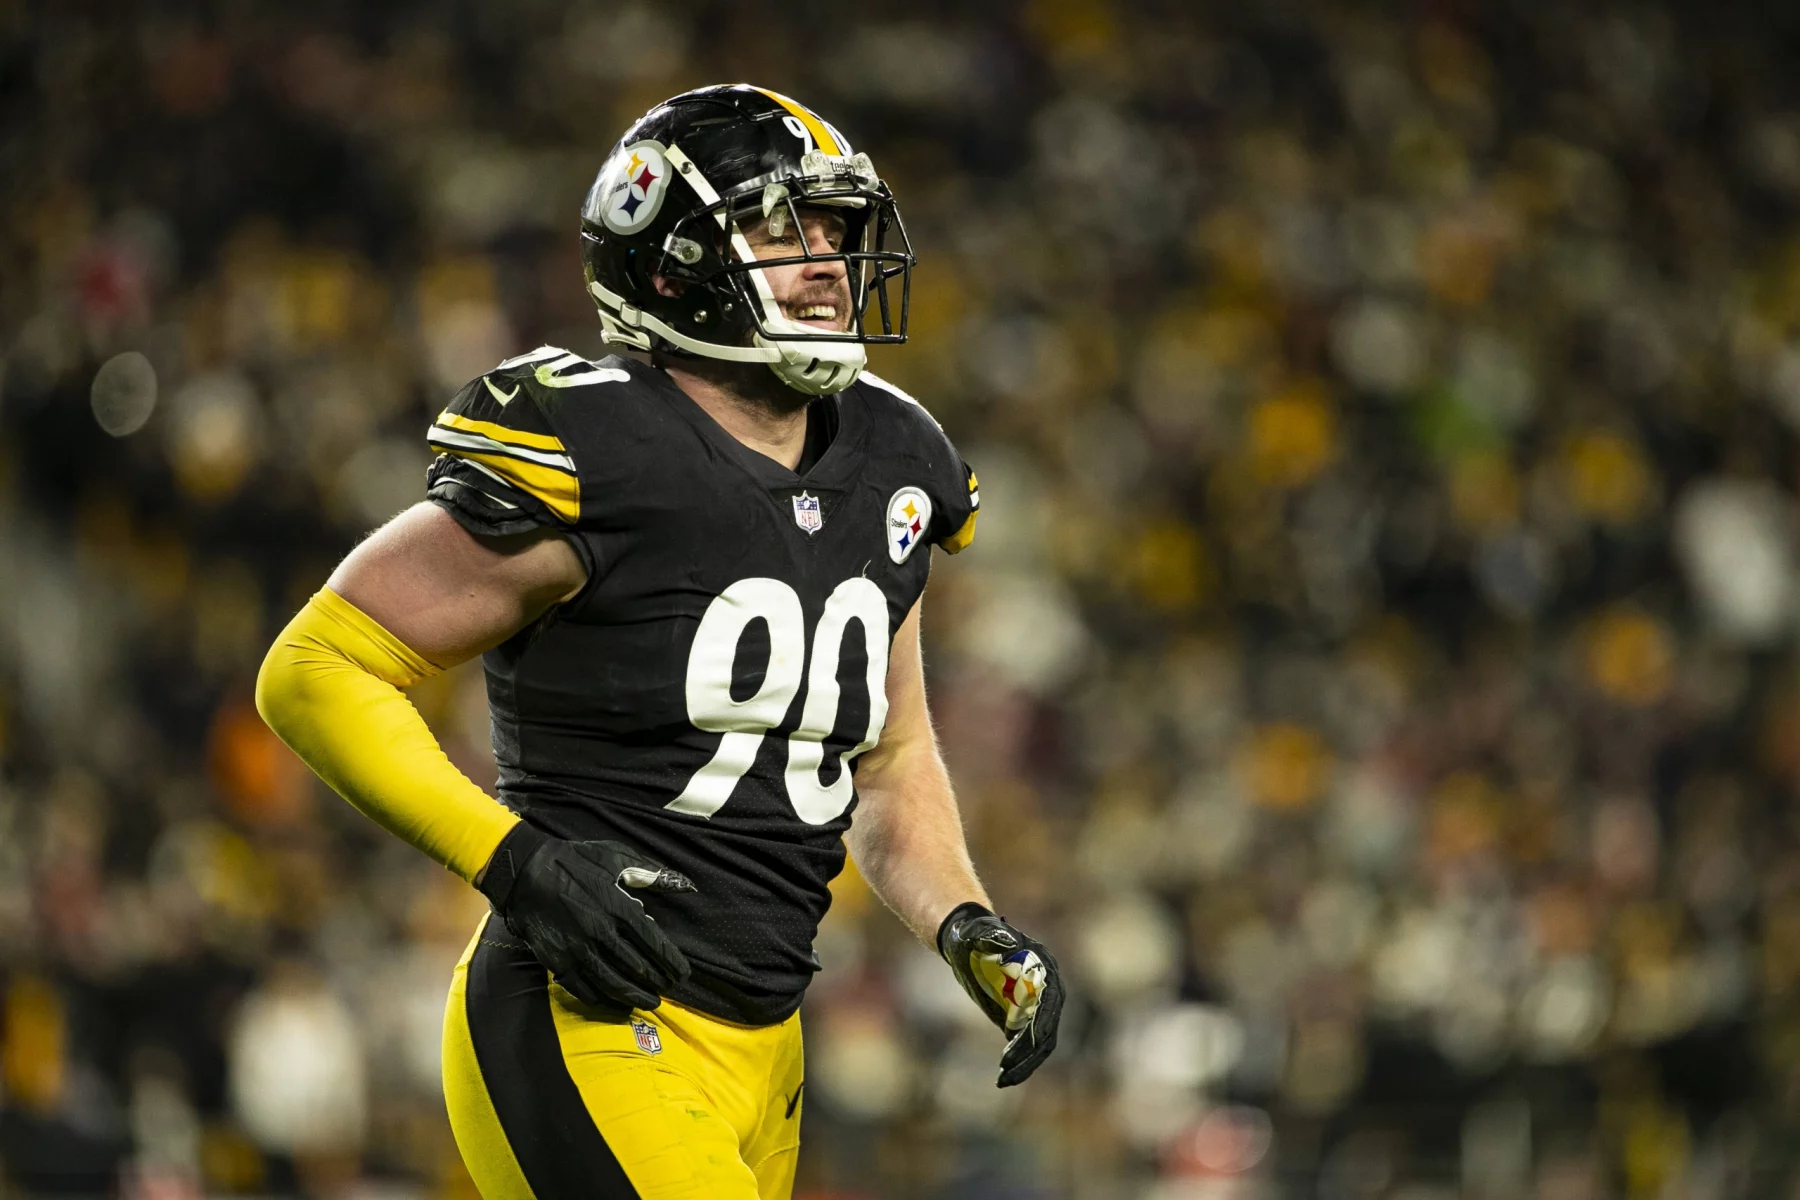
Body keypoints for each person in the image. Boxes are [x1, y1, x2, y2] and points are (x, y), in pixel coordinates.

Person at [256, 84, 1065, 1199]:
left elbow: (888, 758)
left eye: (835, 228)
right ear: (676, 259)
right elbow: (316, 668)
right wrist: (512, 861)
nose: (829, 258)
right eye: (785, 228)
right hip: (589, 1013)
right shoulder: (600, 446)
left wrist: (962, 920)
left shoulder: (894, 456)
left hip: (770, 1041)